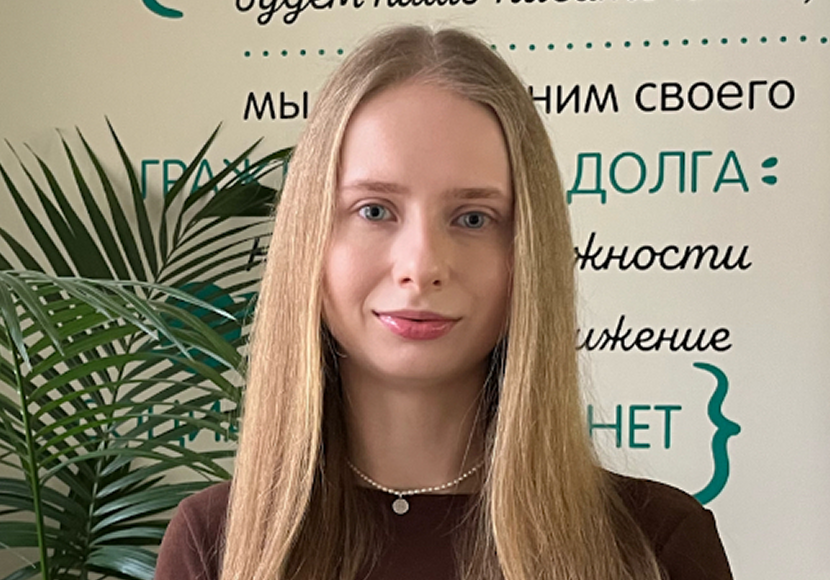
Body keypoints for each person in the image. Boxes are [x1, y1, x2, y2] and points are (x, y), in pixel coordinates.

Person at [155, 25, 733, 580]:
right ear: (311, 240)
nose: (423, 265)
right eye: (374, 210)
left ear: (529, 253)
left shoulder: (659, 544)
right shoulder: (215, 541)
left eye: (473, 218)